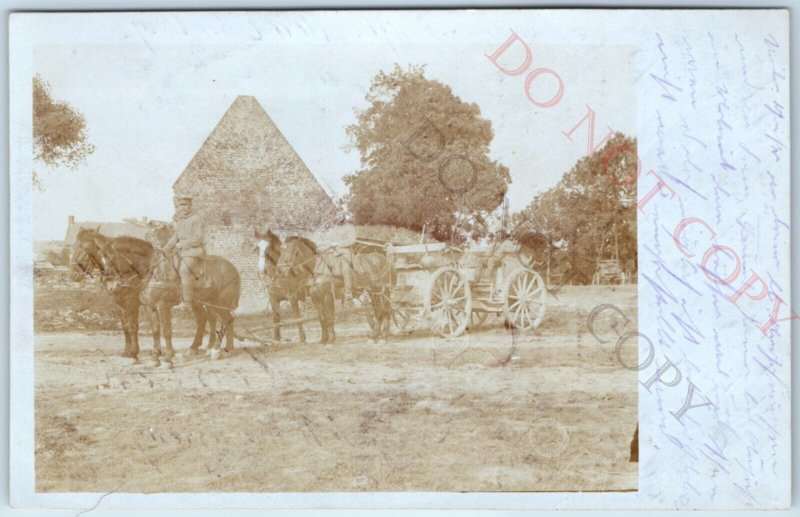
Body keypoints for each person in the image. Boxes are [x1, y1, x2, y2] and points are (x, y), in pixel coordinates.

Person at [162, 194, 205, 310]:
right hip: (180, 252)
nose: (184, 208)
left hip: (193, 251)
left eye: (186, 205)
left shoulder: (197, 219)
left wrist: (183, 244)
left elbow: (198, 238)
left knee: (184, 270)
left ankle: (187, 302)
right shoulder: (181, 220)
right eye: (181, 205)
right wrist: (165, 249)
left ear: (191, 205)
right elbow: (175, 237)